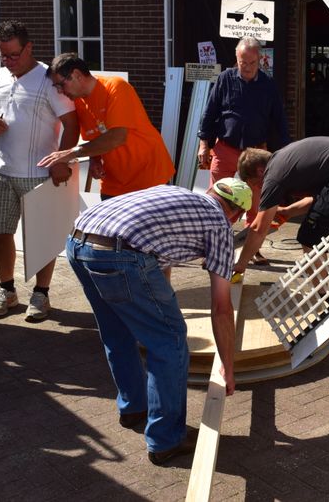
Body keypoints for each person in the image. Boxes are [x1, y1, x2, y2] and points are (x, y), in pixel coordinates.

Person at [66, 179, 250, 465]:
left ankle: (133, 409)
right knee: (170, 341)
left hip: (79, 243)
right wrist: (227, 365)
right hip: (121, 255)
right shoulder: (220, 224)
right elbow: (222, 306)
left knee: (117, 332)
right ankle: (166, 440)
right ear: (236, 215)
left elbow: (159, 257)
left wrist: (158, 306)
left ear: (212, 192)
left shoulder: (175, 194)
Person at [0, 21, 80, 321]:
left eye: (13, 55)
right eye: (2, 55)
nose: (7, 62)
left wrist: (61, 161)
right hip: (0, 168)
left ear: (29, 48)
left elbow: (73, 125)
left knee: (42, 236)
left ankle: (41, 294)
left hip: (40, 173)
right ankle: (6, 291)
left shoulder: (49, 80)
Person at [233, 136, 329, 277]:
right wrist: (287, 211)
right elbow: (320, 199)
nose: (259, 188)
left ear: (260, 171)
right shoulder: (287, 160)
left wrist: (240, 265)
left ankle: (324, 294)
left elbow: (259, 229)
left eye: (254, 184)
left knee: (309, 237)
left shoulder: (273, 175)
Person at [37, 53, 174, 198]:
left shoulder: (116, 86)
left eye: (60, 84)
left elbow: (117, 137)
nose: (59, 91)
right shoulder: (78, 102)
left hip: (149, 180)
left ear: (76, 75)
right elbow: (96, 138)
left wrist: (70, 153)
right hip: (114, 184)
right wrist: (94, 159)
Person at [196, 36, 290, 246]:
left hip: (255, 152)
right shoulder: (225, 79)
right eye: (242, 62)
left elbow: (279, 119)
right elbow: (209, 112)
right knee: (218, 199)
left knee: (257, 202)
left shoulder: (268, 85)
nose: (246, 67)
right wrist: (203, 143)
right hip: (226, 147)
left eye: (251, 63)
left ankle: (251, 249)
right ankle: (216, 245)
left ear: (260, 60)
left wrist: (285, 150)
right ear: (236, 59)